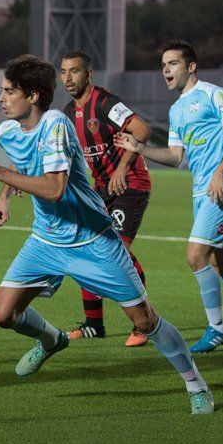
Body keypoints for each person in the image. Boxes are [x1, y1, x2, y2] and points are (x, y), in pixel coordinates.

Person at [0, 54, 213, 414]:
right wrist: (4, 196)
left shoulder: (56, 124)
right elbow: (23, 160)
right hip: (46, 241)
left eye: (8, 91)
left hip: (93, 240)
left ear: (33, 96)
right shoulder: (7, 131)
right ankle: (52, 341)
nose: (1, 98)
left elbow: (54, 190)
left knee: (144, 320)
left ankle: (196, 384)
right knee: (3, 315)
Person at [115, 40, 223, 353]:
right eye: (163, 65)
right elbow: (176, 157)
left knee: (194, 256)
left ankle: (217, 330)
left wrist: (220, 173)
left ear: (191, 66)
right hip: (201, 192)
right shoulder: (176, 110)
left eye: (173, 63)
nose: (166, 70)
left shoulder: (214, 94)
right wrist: (140, 150)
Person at [59, 51, 152, 347]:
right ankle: (94, 325)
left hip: (130, 185)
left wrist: (122, 169)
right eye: (64, 72)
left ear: (89, 75)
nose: (68, 78)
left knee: (117, 254)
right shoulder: (65, 114)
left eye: (74, 71)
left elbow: (142, 129)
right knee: (85, 251)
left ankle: (144, 324)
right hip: (100, 190)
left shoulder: (105, 102)